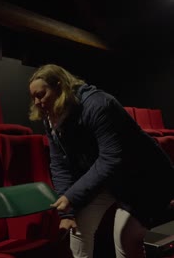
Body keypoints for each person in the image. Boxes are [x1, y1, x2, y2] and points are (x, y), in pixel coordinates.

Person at [28, 64, 174, 258]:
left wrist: (71, 197)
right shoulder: (51, 117)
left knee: (126, 239)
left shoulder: (98, 104)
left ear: (59, 86)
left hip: (141, 178)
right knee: (78, 226)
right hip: (106, 178)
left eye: (41, 94)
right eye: (33, 98)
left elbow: (111, 158)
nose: (37, 102)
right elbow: (59, 164)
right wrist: (67, 213)